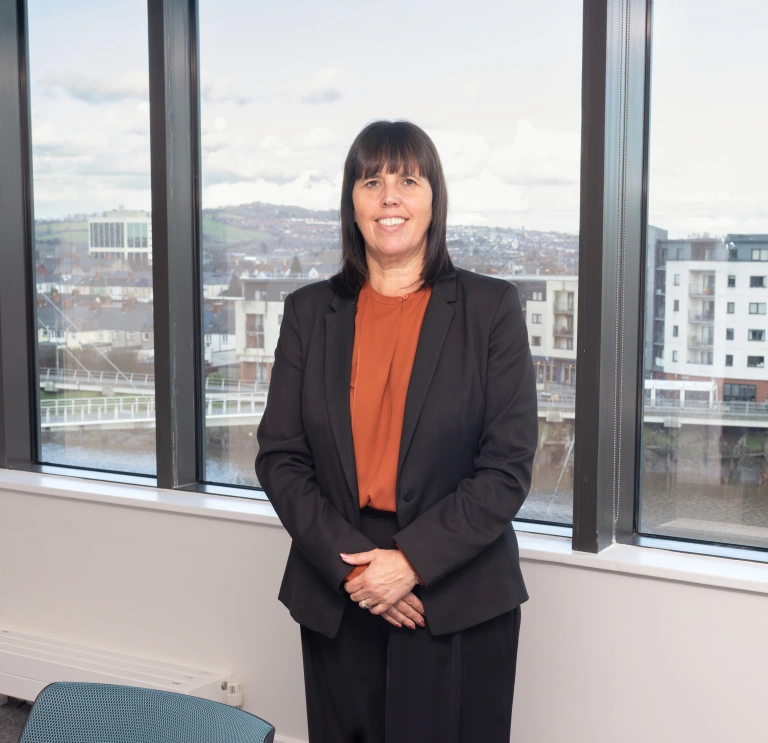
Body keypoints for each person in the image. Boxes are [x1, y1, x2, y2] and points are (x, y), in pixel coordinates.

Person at [255, 120, 539, 743]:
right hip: (341, 582)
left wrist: (411, 561)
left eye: (408, 180)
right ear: (351, 202)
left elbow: (508, 467)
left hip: (457, 592)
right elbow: (280, 458)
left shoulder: (493, 309)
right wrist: (359, 571)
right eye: (371, 181)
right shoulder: (308, 313)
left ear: (433, 199)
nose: (389, 197)